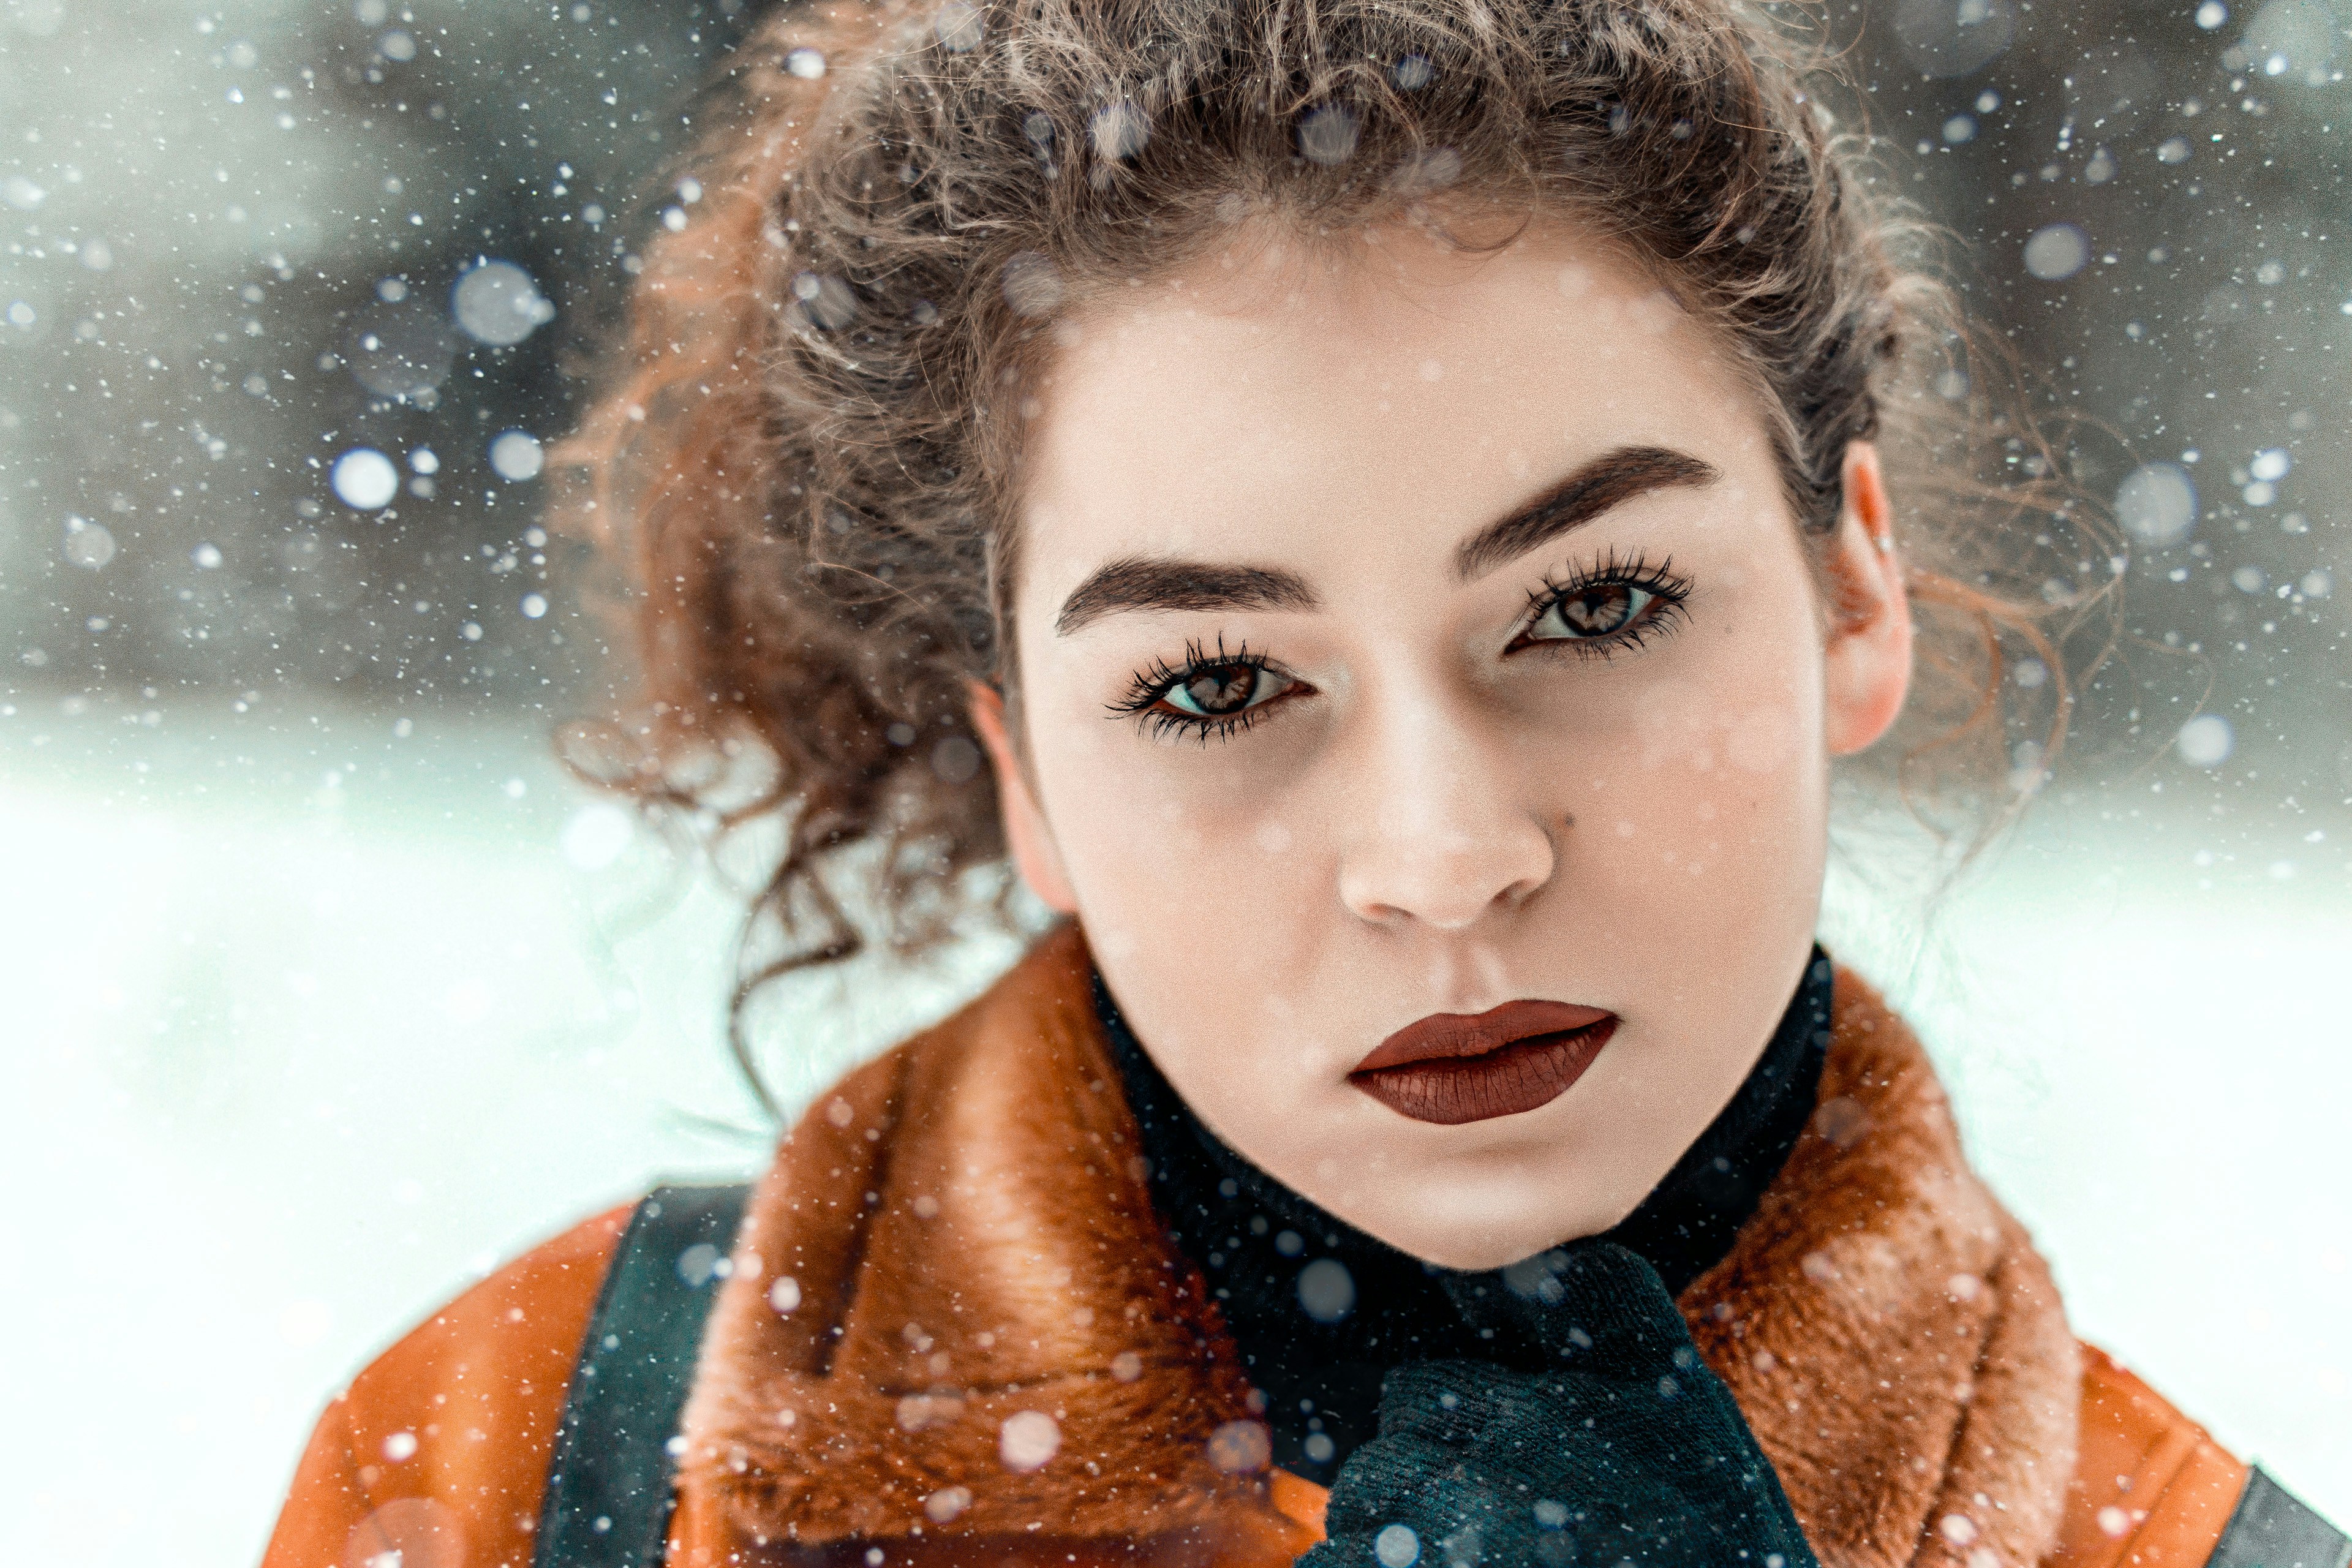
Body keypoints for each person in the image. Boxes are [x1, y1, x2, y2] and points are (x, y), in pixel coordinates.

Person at [263, 4, 2345, 1567]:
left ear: (1849, 589)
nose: (1446, 859)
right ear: (1029, 779)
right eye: (1218, 681)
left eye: (1598, 603)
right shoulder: (532, 1463)